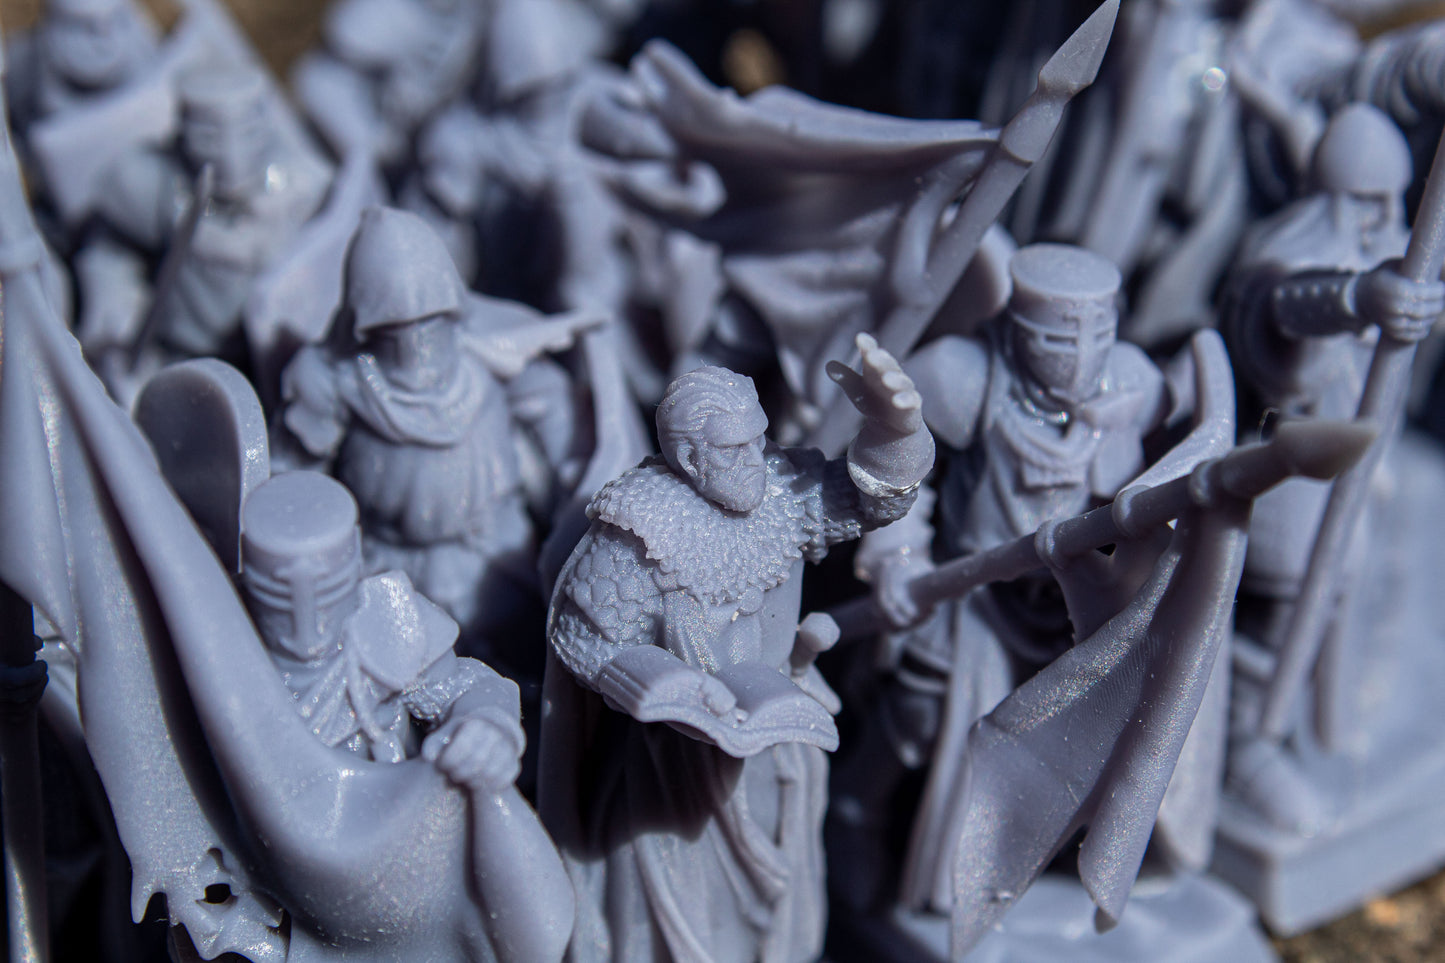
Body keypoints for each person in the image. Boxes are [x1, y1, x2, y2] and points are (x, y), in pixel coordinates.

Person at [833, 243, 1208, 911]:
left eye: (1098, 332)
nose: (1080, 355)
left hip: (1080, 600)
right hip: (973, 587)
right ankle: (857, 811)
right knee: (921, 713)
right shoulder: (963, 377)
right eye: (1059, 338)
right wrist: (898, 556)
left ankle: (1035, 846)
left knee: (1069, 727)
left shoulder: (1130, 380)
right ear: (1018, 327)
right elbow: (894, 466)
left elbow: (1175, 433)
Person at [542, 336, 933, 962]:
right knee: (680, 909)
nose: (755, 459)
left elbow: (871, 501)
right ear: (689, 458)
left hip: (775, 738)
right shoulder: (637, 527)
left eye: (758, 438)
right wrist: (661, 686)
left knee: (771, 898)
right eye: (733, 449)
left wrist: (895, 432)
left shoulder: (782, 491)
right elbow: (583, 638)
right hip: (672, 764)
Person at [274, 207, 598, 671]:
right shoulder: (333, 382)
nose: (417, 345)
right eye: (394, 333)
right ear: (365, 329)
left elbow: (555, 411)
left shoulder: (491, 358)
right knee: (404, 677)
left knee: (527, 661)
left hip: (495, 552)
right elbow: (293, 485)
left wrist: (580, 476)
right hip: (388, 568)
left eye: (431, 325)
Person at [240, 470, 524, 791]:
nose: (306, 620)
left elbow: (466, 685)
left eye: (327, 592)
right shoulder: (222, 646)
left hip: (384, 803)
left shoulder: (389, 619)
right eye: (280, 602)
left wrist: (484, 727)